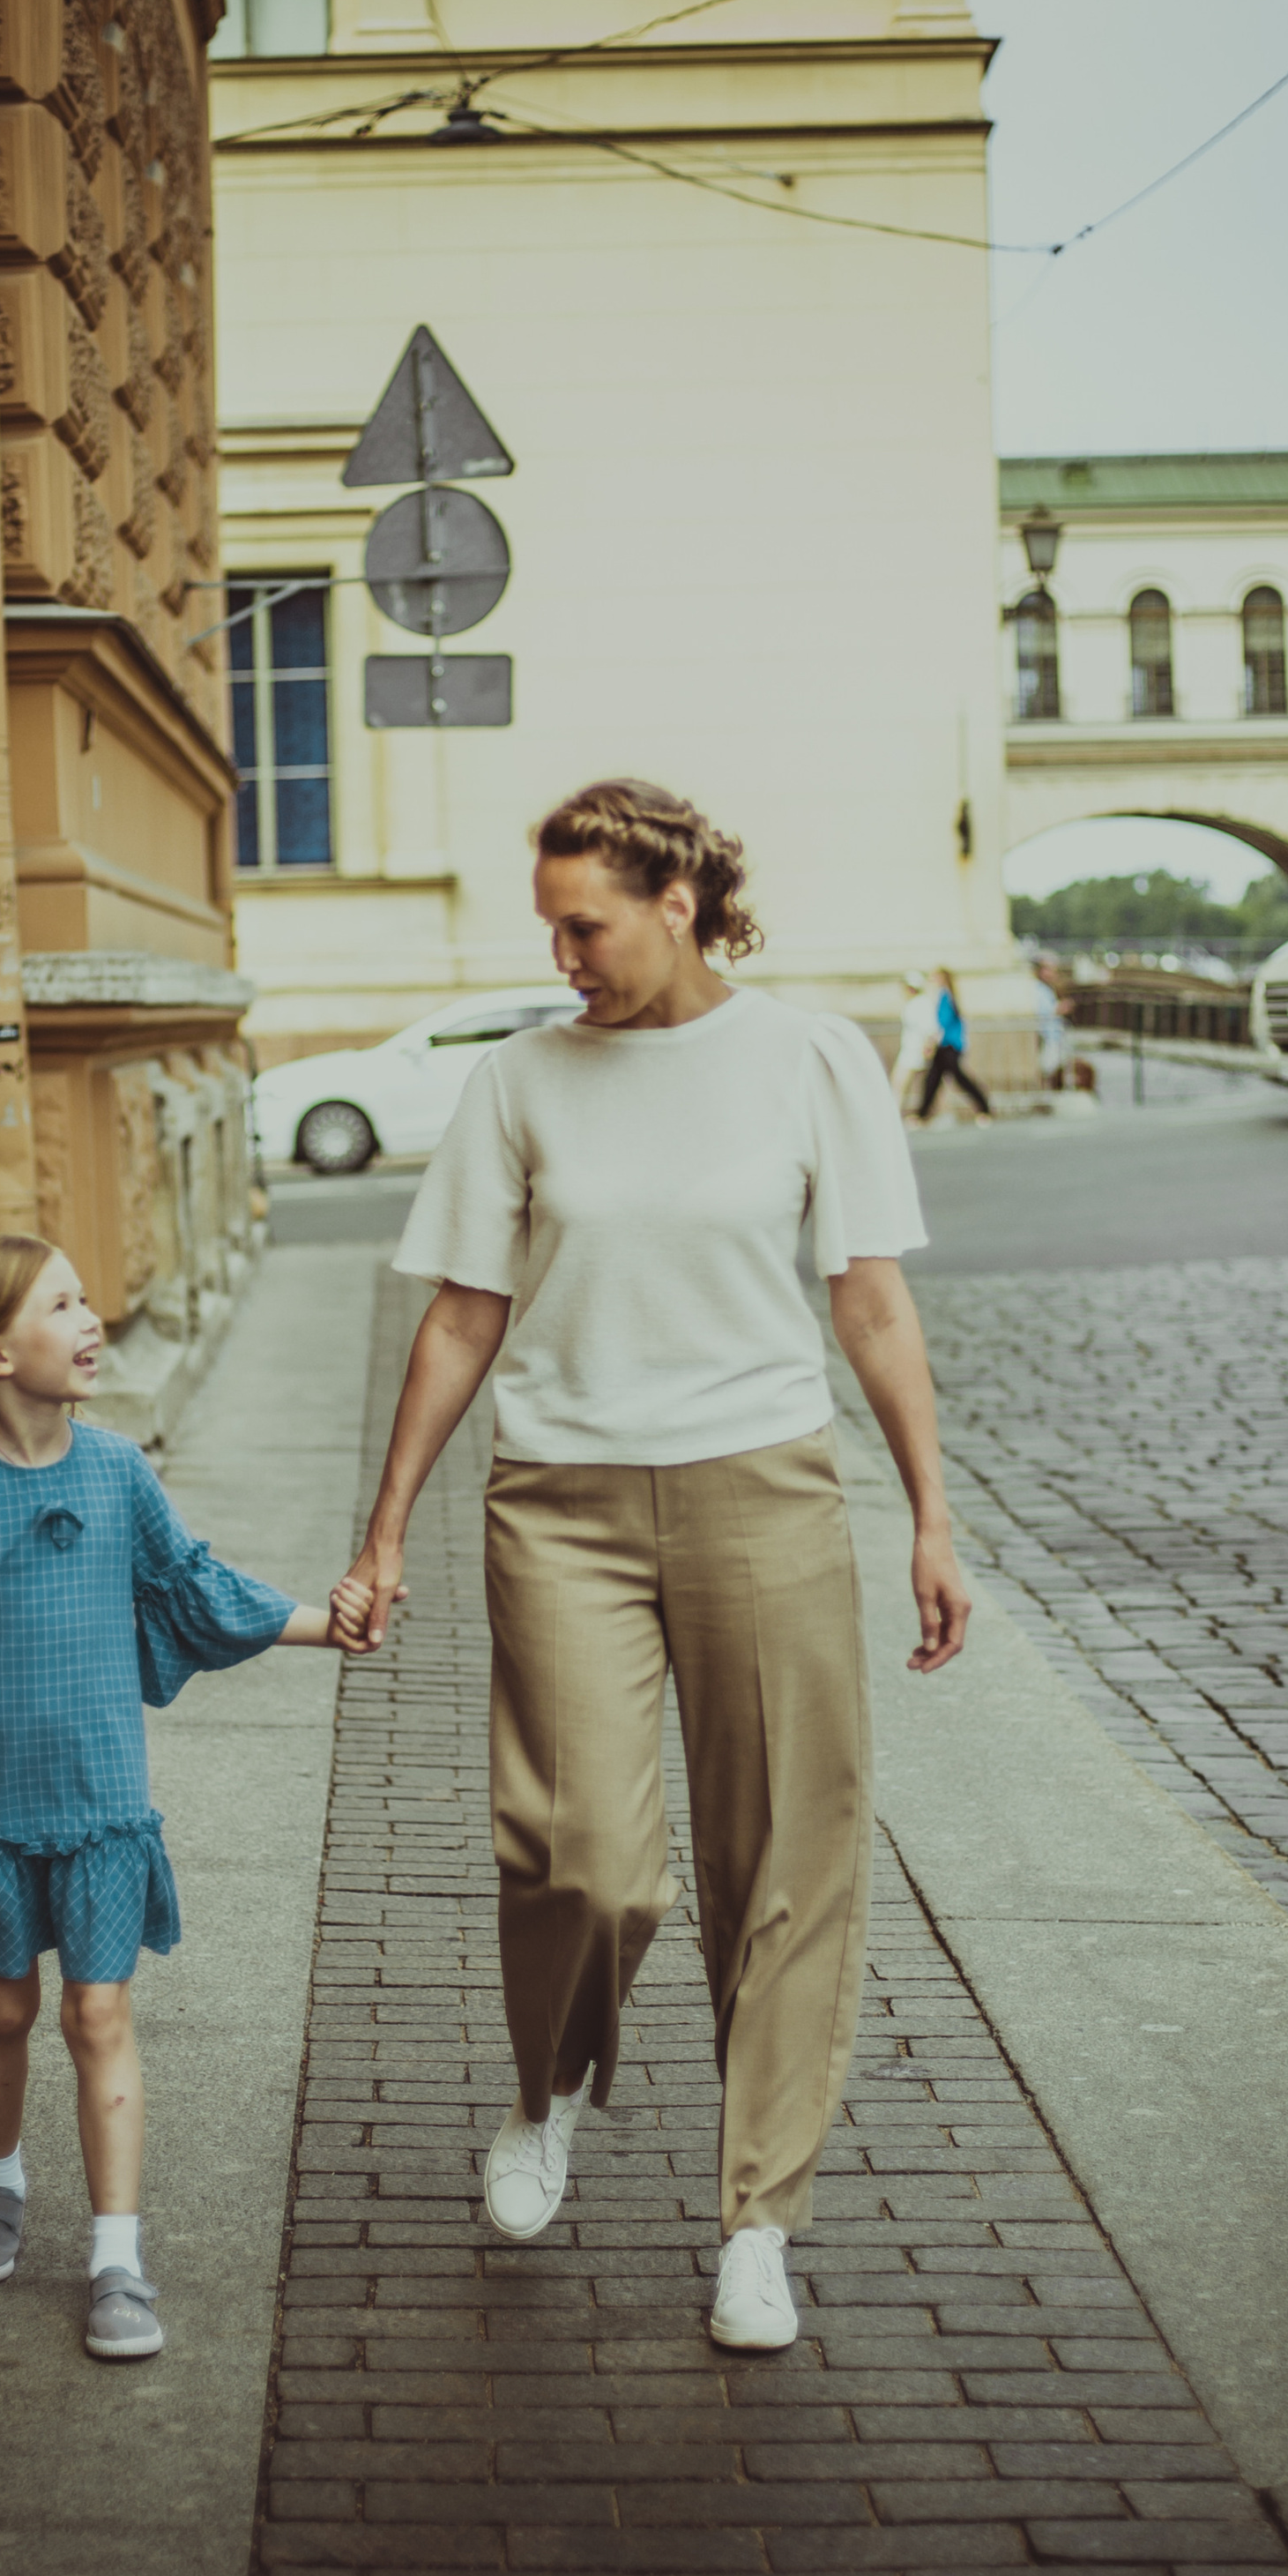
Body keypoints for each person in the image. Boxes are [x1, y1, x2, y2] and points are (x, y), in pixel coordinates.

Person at [330, 780, 971, 2356]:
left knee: (784, 1867)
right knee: (580, 1858)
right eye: (550, 923)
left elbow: (871, 1304)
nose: (562, 955)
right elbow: (467, 1311)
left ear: (677, 904)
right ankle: (544, 2097)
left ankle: (760, 2221)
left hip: (765, 1492)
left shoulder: (813, 1062)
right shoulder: (523, 1081)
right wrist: (388, 1523)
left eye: (584, 922)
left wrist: (930, 1516)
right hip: (561, 1504)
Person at [0, 1233, 340, 2363]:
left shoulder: (118, 1473)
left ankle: (115, 2258)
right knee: (2, 2010)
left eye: (87, 1297)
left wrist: (321, 1624)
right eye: (64, 1305)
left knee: (99, 2016)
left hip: (99, 1813)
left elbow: (194, 1589)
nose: (93, 1318)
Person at [919, 966, 993, 1122]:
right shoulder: (946, 995)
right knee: (933, 1079)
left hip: (948, 1044)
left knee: (956, 1079)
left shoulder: (945, 996)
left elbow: (943, 1023)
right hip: (947, 1044)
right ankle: (923, 1113)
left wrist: (931, 1041)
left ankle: (984, 1107)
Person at [889, 968, 940, 1118]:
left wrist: (928, 1047)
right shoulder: (914, 1003)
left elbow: (930, 1029)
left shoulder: (921, 1003)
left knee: (905, 1083)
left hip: (917, 1051)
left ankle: (933, 1114)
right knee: (906, 1084)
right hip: (910, 1049)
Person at [1032, 958, 1070, 1090]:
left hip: (1053, 1035)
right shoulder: (1038, 989)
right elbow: (1041, 1012)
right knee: (1047, 1067)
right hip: (1046, 1035)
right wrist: (1059, 1009)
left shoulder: (1047, 989)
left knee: (1052, 1067)